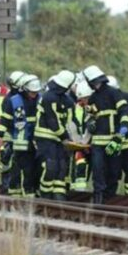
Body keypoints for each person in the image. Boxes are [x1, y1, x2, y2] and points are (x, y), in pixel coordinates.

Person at [82, 66, 128, 204]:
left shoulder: (114, 94)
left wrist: (120, 135)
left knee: (114, 171)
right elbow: (89, 117)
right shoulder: (93, 98)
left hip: (114, 140)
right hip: (98, 142)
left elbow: (124, 113)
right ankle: (99, 199)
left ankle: (110, 199)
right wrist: (90, 122)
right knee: (98, 171)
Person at [0, 74, 41, 197]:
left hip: (35, 142)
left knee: (34, 168)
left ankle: (27, 191)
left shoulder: (40, 99)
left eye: (36, 92)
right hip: (21, 142)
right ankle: (24, 193)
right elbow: (5, 119)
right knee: (23, 169)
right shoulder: (14, 101)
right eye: (32, 92)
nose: (34, 94)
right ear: (24, 89)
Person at [35, 70, 76, 200]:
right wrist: (65, 137)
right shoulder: (48, 97)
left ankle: (58, 196)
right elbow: (53, 121)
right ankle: (45, 195)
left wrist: (74, 139)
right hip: (45, 138)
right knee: (50, 166)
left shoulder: (68, 101)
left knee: (62, 167)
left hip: (60, 140)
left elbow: (71, 122)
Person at [0, 70, 27, 193]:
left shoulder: (14, 97)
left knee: (14, 163)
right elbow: (8, 120)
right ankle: (7, 186)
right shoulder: (10, 100)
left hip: (15, 134)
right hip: (10, 135)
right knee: (8, 161)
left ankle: (13, 186)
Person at [67, 79, 94, 192]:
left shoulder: (93, 109)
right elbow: (72, 128)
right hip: (79, 146)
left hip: (91, 146)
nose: (86, 101)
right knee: (79, 169)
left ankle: (80, 192)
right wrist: (81, 144)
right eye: (84, 99)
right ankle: (77, 192)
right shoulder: (75, 109)